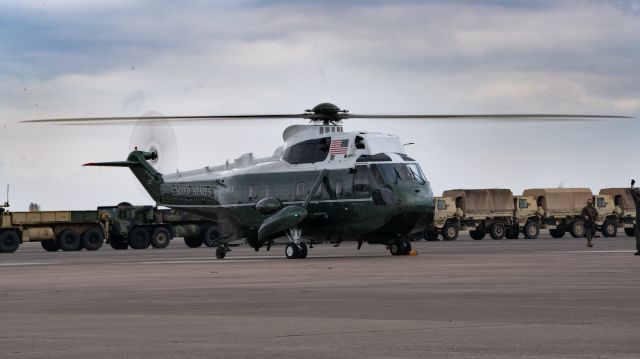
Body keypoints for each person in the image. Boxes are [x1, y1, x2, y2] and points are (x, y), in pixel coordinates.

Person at [630, 179, 640, 255]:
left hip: (639, 218)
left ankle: (639, 249)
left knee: (638, 233)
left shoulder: (637, 199)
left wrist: (632, 184)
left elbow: (632, 192)